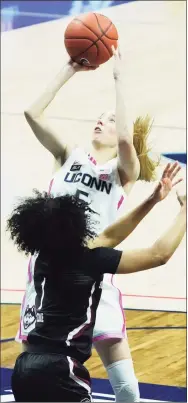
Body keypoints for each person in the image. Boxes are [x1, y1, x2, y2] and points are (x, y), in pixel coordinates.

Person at [18, 46, 181, 402]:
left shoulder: (123, 171)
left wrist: (120, 80)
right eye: (101, 116)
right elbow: (32, 112)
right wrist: (68, 69)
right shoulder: (68, 155)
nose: (101, 120)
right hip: (50, 270)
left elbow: (126, 139)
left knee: (122, 380)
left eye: (109, 118)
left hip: (94, 271)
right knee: (40, 357)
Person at [8, 172, 186, 402]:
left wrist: (151, 201)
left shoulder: (44, 257)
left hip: (25, 368)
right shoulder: (90, 260)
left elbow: (109, 236)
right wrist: (185, 212)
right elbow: (158, 254)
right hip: (60, 369)